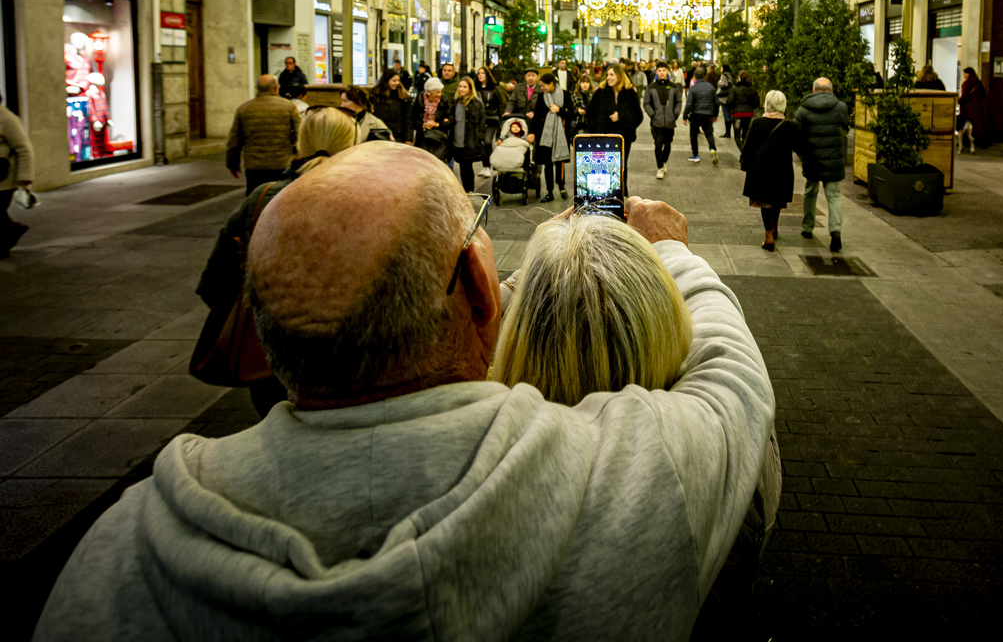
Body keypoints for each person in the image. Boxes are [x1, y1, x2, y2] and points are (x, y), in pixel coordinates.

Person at [35, 145, 774, 641]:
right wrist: (668, 247)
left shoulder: (119, 558)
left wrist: (521, 275)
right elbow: (731, 376)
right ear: (482, 289)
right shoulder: (626, 480)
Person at [492, 210, 781, 621]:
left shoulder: (481, 467)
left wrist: (533, 272)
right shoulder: (711, 469)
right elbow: (732, 358)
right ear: (667, 329)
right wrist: (672, 251)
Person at [195, 107, 359, 418]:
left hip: (273, 360)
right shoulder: (373, 200)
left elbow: (215, 283)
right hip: (353, 358)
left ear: (300, 143)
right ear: (353, 144)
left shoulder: (263, 198)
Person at [794, 77, 850, 253]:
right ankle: (835, 232)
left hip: (812, 159)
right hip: (834, 159)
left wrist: (802, 155)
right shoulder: (841, 107)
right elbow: (846, 128)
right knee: (833, 195)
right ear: (831, 91)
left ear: (814, 90)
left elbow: (796, 135)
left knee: (810, 192)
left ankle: (807, 228)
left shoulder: (803, 110)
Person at [740, 90, 799, 252]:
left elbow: (748, 147)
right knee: (777, 200)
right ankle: (774, 227)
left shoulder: (757, 123)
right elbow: (799, 147)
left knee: (765, 203)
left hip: (761, 169)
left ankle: (768, 235)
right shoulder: (790, 126)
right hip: (783, 169)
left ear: (767, 104)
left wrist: (745, 164)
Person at [225, 75, 300, 195]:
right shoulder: (289, 107)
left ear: (256, 88)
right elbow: (299, 134)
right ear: (276, 88)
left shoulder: (243, 109)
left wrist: (232, 164)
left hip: (254, 166)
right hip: (282, 163)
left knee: (255, 199)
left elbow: (234, 140)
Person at [586, 64, 643, 191]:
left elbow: (638, 116)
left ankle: (621, 193)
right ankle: (604, 194)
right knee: (604, 167)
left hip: (623, 137)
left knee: (621, 166)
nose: (608, 78)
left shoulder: (630, 93)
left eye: (611, 75)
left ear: (619, 76)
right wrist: (595, 132)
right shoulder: (601, 93)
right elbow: (590, 114)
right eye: (607, 75)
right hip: (603, 137)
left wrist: (621, 117)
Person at [0, 90, 35, 258]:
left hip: (4, 178)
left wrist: (24, 178)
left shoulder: (7, 118)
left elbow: (24, 149)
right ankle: (11, 232)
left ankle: (9, 236)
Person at [530, 72, 572, 202]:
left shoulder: (565, 95)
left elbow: (572, 114)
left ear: (552, 84)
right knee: (547, 164)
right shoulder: (542, 97)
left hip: (561, 134)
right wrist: (532, 132)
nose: (542, 88)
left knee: (560, 163)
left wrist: (559, 110)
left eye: (544, 86)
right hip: (545, 135)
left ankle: (561, 186)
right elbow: (537, 116)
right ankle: (549, 191)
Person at [645, 61, 683, 180]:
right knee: (657, 144)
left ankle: (664, 161)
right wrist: (652, 114)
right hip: (657, 122)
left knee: (668, 144)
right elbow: (646, 103)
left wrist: (675, 114)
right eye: (659, 70)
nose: (662, 73)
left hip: (670, 122)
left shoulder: (674, 87)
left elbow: (679, 102)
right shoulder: (651, 87)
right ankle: (660, 167)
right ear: (656, 72)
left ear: (668, 71)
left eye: (664, 70)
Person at [449, 78, 486, 193]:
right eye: (460, 86)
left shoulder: (476, 103)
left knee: (467, 166)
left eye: (465, 87)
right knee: (462, 166)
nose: (462, 89)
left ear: (470, 88)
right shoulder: (455, 102)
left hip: (470, 140)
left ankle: (469, 190)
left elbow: (482, 121)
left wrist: (479, 138)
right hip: (457, 139)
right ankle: (466, 190)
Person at [683, 65, 720, 166]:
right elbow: (717, 102)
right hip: (708, 115)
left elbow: (689, 104)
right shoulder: (711, 87)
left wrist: (685, 116)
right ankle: (712, 149)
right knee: (709, 133)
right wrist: (715, 114)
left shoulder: (693, 88)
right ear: (704, 76)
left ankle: (696, 155)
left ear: (694, 77)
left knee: (694, 134)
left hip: (696, 115)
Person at [371, 68, 414, 144]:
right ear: (386, 81)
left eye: (398, 80)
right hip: (379, 134)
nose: (397, 83)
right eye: (394, 81)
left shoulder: (403, 97)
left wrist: (408, 139)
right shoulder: (375, 95)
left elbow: (408, 120)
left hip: (398, 135)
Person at [475, 66, 503, 177]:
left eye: (483, 73)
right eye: (479, 73)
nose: (480, 75)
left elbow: (500, 105)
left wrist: (501, 119)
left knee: (487, 142)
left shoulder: (494, 89)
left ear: (487, 75)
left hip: (491, 119)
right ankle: (484, 165)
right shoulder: (476, 89)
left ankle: (488, 166)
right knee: (481, 143)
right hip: (479, 120)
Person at [413, 76, 449, 158]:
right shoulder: (419, 100)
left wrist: (437, 124)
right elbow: (413, 119)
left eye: (440, 92)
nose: (439, 95)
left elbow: (450, 120)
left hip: (438, 139)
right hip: (422, 138)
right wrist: (422, 124)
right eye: (436, 92)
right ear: (428, 92)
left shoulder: (444, 101)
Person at [727, 71, 760, 151]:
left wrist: (733, 108)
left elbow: (730, 101)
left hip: (737, 114)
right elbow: (757, 102)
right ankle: (746, 152)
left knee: (737, 136)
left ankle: (744, 153)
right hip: (749, 114)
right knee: (745, 135)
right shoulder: (752, 89)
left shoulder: (735, 88)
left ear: (739, 78)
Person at [959, 66, 987, 152]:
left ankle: (966, 141)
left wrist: (960, 101)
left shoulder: (966, 83)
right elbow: (984, 94)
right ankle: (979, 141)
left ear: (968, 74)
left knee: (966, 124)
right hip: (977, 107)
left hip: (967, 108)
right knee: (977, 124)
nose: (964, 75)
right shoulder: (979, 83)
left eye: (965, 73)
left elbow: (964, 95)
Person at [716, 64, 734, 137]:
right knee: (730, 114)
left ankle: (727, 132)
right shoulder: (732, 75)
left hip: (724, 97)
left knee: (726, 114)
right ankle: (729, 130)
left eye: (721, 68)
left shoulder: (724, 76)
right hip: (731, 97)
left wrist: (719, 83)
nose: (721, 69)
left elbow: (724, 84)